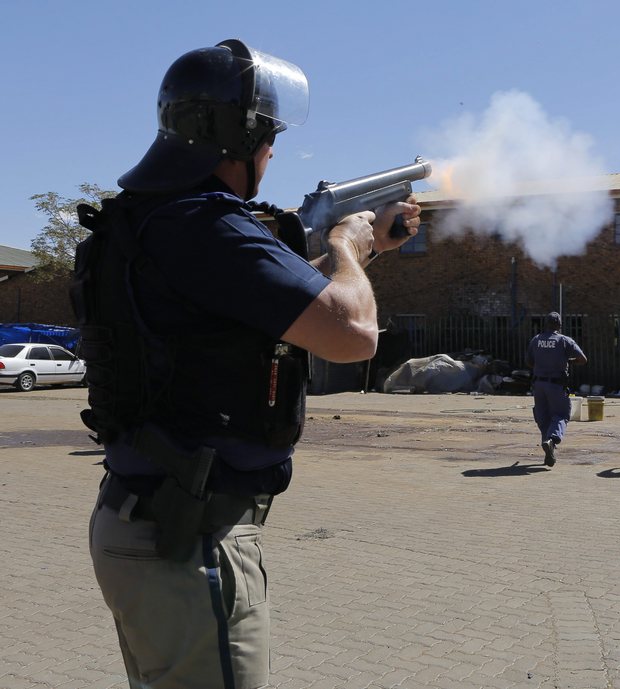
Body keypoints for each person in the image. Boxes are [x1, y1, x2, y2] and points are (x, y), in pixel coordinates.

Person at [76, 40, 421, 688]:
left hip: (143, 524)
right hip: (188, 541)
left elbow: (295, 305)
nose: (272, 152)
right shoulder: (209, 225)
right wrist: (348, 242)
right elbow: (354, 335)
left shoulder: (157, 220)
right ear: (237, 137)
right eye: (269, 138)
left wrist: (367, 249)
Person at [526, 312, 587, 466]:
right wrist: (568, 361)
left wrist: (542, 366)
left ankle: (549, 451)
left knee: (543, 418)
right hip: (556, 384)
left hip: (538, 385)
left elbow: (529, 362)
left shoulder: (536, 340)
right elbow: (583, 359)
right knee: (561, 415)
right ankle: (552, 439)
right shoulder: (564, 341)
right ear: (559, 325)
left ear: (546, 324)